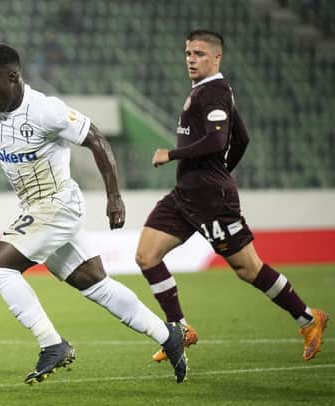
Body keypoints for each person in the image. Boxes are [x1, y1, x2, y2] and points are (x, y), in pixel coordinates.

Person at [0, 43, 188, 384]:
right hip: (36, 208)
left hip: (57, 204)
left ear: (13, 77)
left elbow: (96, 140)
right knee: (95, 284)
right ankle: (169, 336)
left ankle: (53, 344)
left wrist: (114, 196)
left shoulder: (46, 110)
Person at [135, 30, 328, 364]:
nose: (191, 60)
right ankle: (180, 330)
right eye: (188, 54)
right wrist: (222, 170)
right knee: (146, 256)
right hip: (186, 196)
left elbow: (216, 141)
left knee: (248, 269)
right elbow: (242, 138)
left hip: (212, 201)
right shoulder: (207, 91)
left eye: (199, 54)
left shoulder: (214, 92)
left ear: (217, 57)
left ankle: (309, 319)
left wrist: (173, 155)